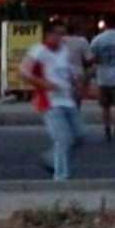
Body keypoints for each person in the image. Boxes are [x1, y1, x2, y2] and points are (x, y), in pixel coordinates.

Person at [20, 21, 83, 181]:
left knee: (79, 135)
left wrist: (76, 84)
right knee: (63, 139)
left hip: (67, 99)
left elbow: (69, 71)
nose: (61, 38)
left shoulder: (64, 50)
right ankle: (61, 176)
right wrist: (44, 84)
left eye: (63, 34)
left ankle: (51, 159)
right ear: (48, 35)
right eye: (58, 34)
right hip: (49, 100)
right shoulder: (38, 51)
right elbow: (24, 72)